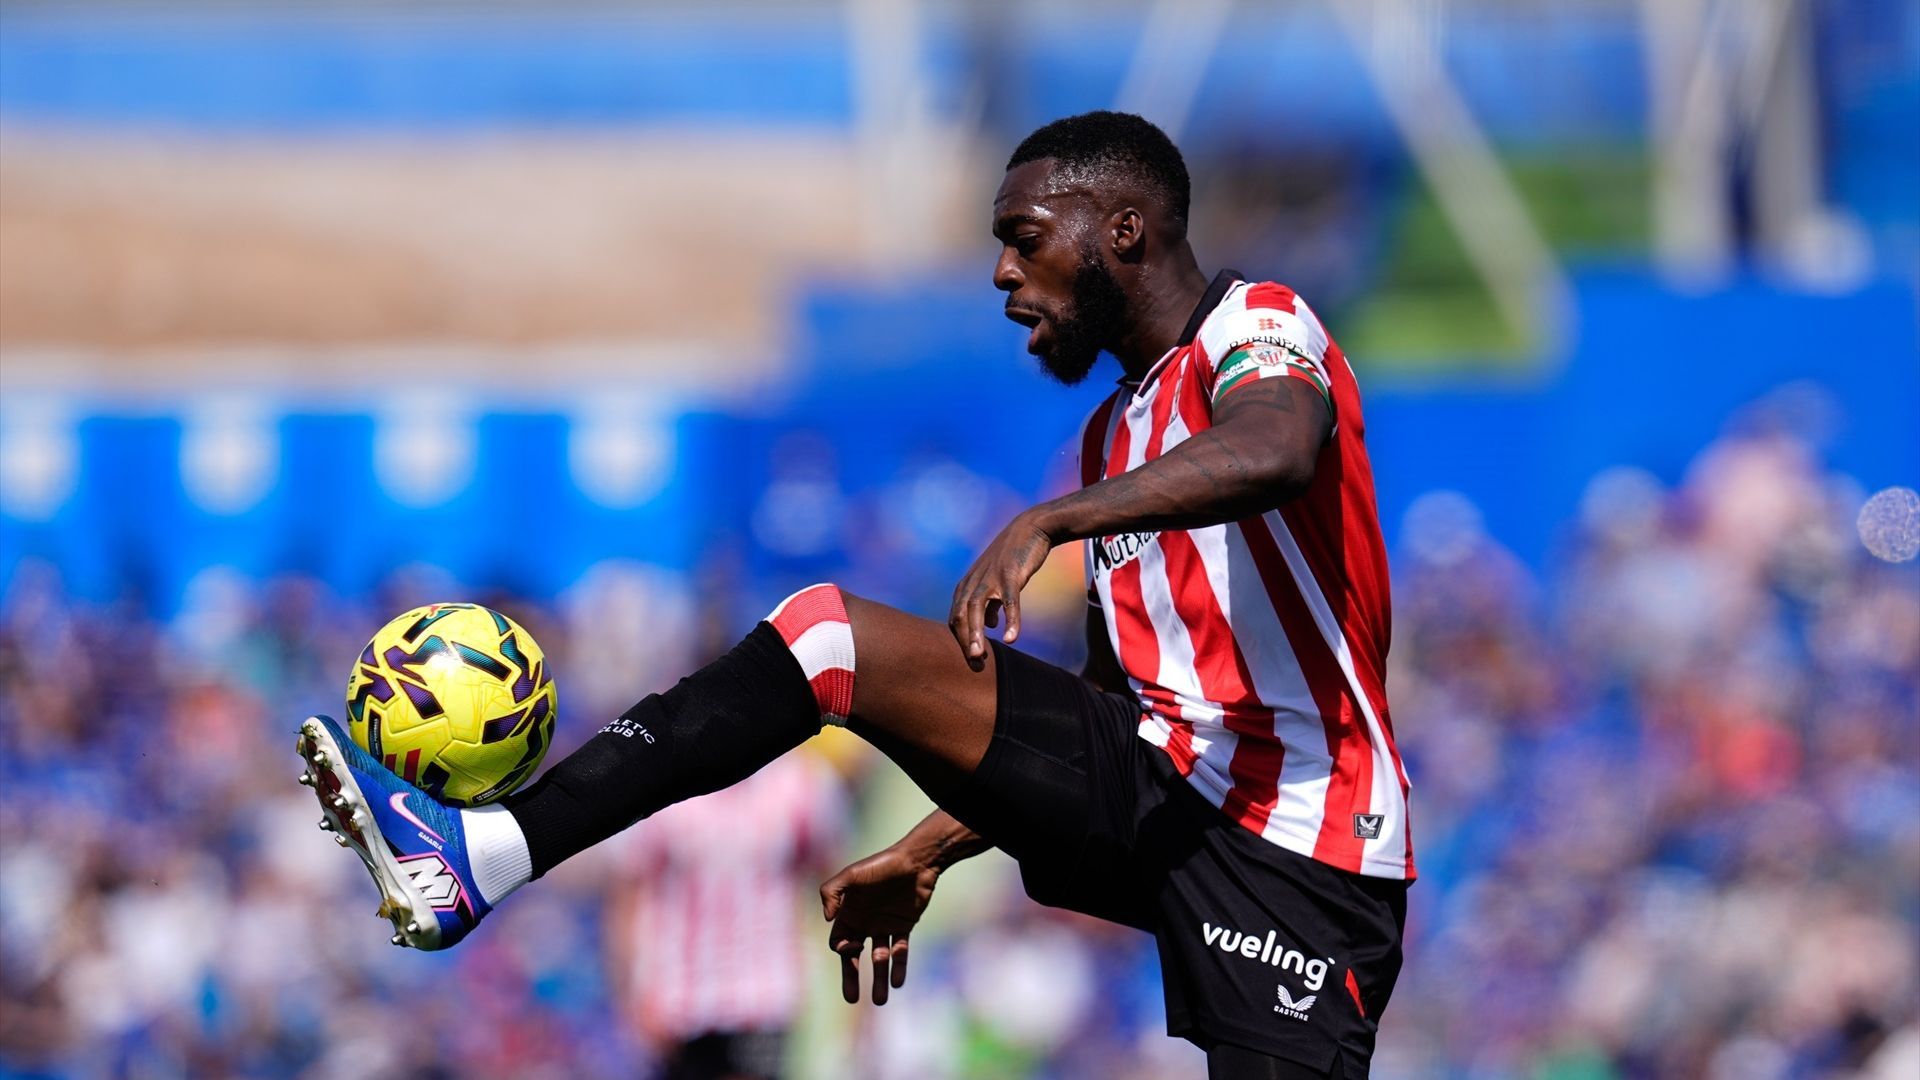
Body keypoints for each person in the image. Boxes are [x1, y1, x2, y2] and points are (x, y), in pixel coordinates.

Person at [296, 110, 1411, 1079]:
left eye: (1024, 238)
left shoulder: (1259, 324)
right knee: (826, 637)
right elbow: (1110, 709)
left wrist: (1049, 520)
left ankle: (487, 855)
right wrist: (930, 850)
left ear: (1123, 230)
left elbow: (1278, 447)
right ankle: (489, 853)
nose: (1001, 273)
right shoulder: (1112, 436)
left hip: (1306, 851)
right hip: (1167, 792)